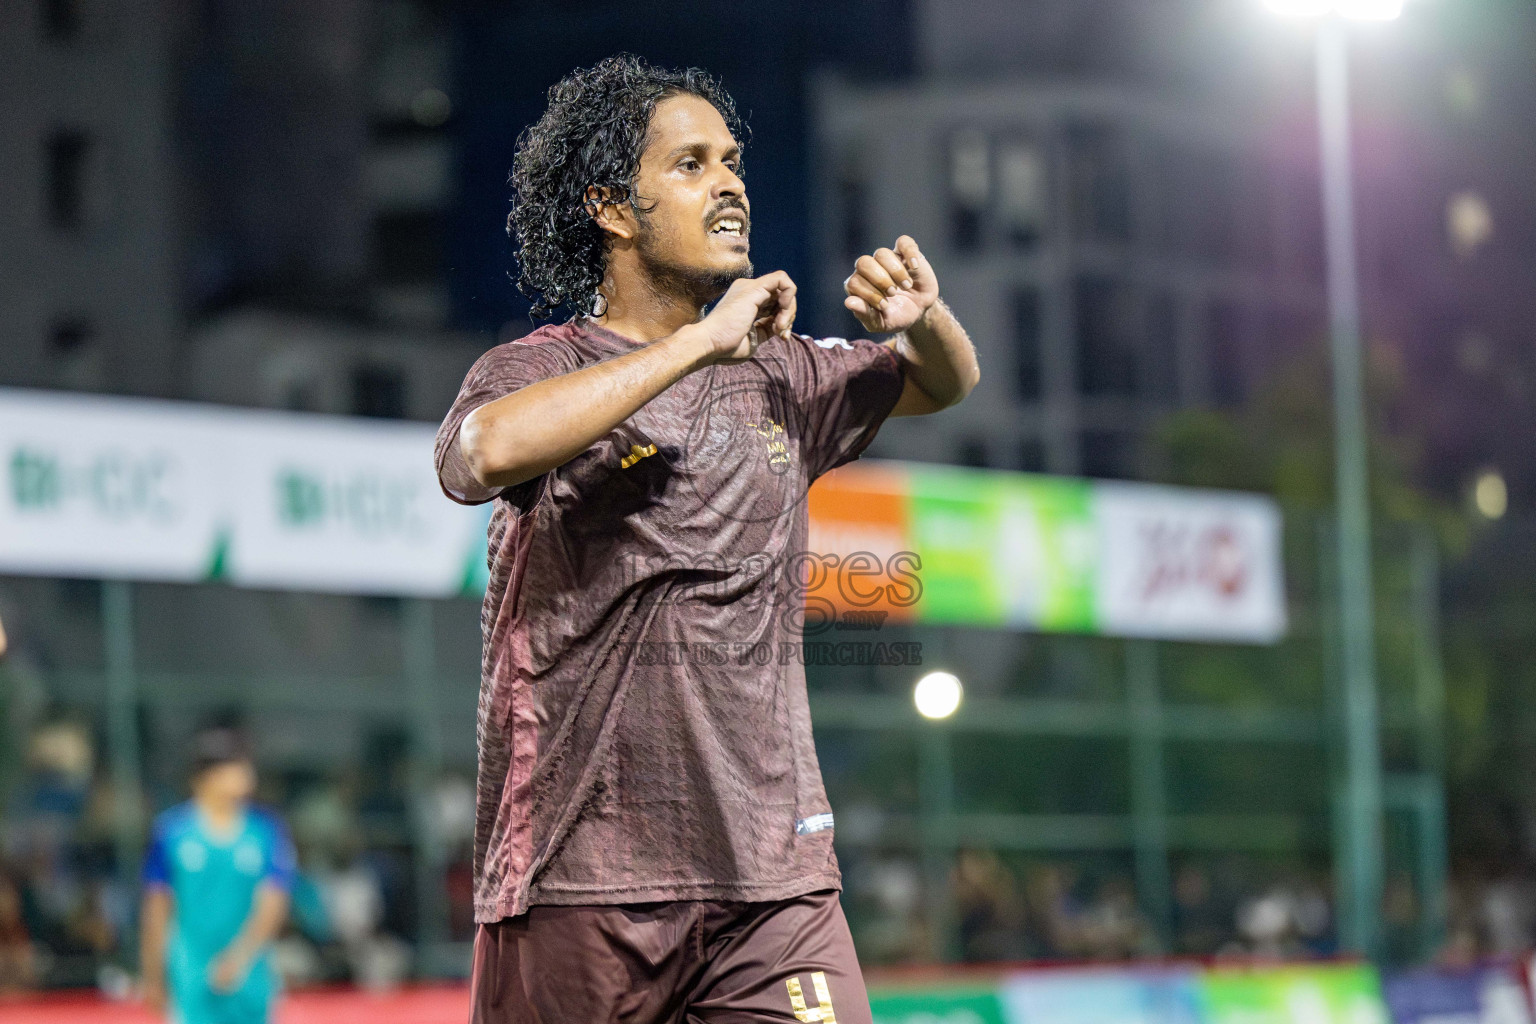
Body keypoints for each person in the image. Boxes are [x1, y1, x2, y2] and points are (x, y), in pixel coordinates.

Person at [435, 55, 979, 1023]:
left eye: (731, 161)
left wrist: (923, 319)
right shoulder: (539, 367)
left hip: (774, 883)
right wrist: (693, 345)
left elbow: (942, 382)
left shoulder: (781, 374)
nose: (729, 183)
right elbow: (480, 453)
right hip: (581, 879)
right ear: (611, 208)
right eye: (690, 165)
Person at [139, 729, 295, 1024]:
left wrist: (239, 957)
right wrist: (153, 975)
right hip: (190, 979)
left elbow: (274, 902)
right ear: (207, 775)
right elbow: (157, 908)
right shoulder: (172, 833)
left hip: (250, 980)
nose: (247, 775)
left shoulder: (265, 831)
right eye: (236, 766)